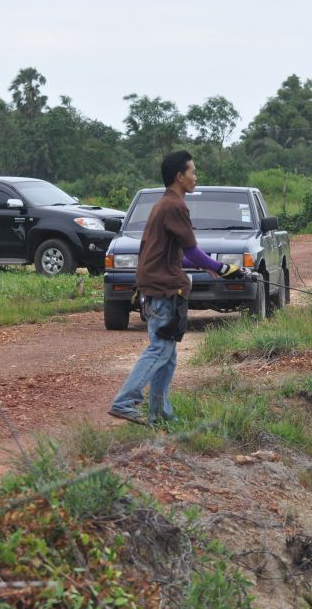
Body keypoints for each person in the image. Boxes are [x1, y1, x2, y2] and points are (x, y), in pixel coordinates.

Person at [108, 150, 244, 425]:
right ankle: (124, 402)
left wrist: (204, 265)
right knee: (159, 349)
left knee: (167, 356)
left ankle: (160, 414)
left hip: (158, 286)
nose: (196, 177)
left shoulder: (163, 204)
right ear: (179, 176)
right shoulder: (175, 206)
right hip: (162, 290)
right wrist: (222, 268)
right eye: (192, 172)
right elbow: (192, 251)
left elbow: (170, 253)